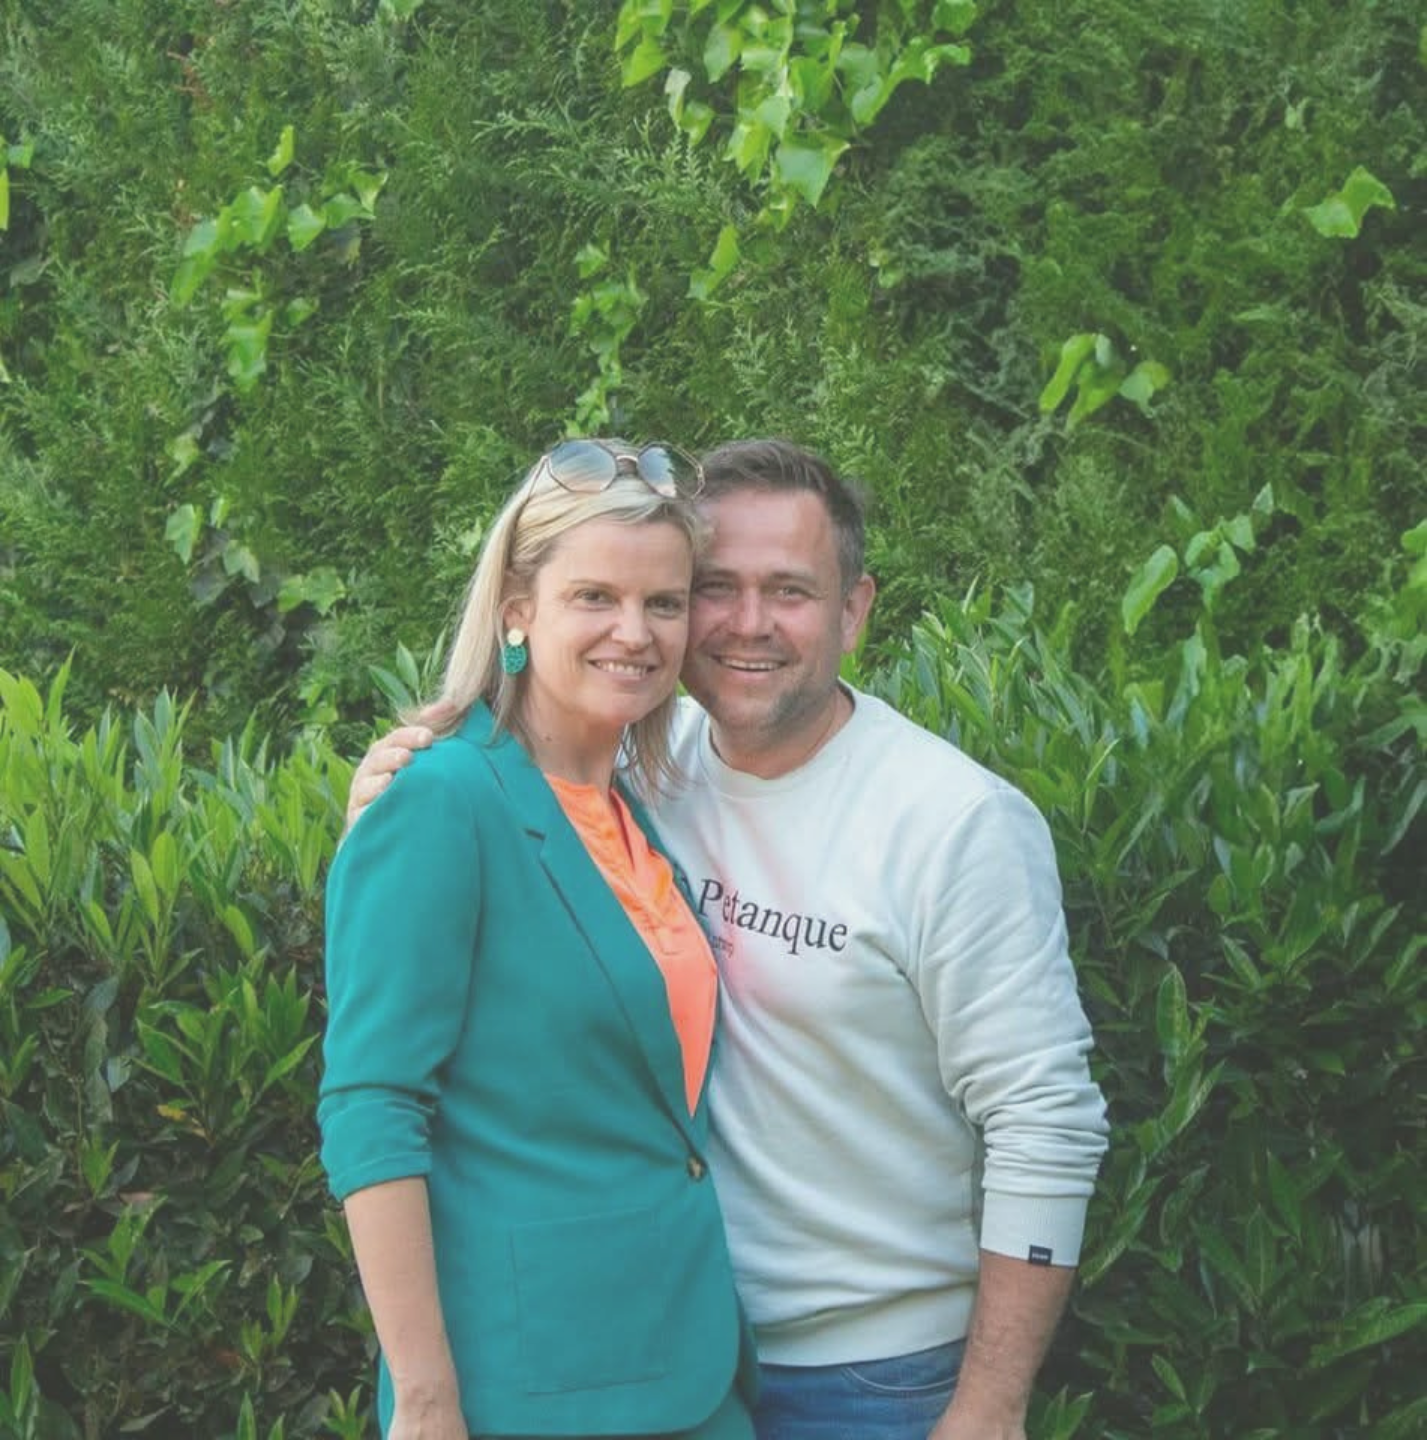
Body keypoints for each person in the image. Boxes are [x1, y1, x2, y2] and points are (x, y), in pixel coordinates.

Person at [347, 439, 1110, 1440]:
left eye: (789, 590)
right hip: (665, 1349)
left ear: (854, 610)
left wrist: (990, 1407)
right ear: (519, 609)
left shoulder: (953, 821)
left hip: (869, 1379)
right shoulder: (639, 765)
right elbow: (392, 1070)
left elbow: (1045, 1119)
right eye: (714, 589)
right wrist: (392, 810)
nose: (746, 623)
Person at [319, 438, 758, 1440]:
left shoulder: (633, 810)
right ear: (517, 610)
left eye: (663, 603)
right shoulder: (441, 799)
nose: (634, 633)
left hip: (687, 1367)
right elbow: (371, 1106)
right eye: (594, 597)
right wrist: (425, 1399)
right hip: (526, 1390)